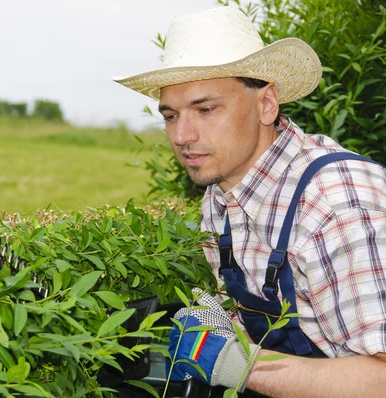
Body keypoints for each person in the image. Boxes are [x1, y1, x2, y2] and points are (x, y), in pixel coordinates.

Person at [113, 6, 386, 398]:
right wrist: (221, 325)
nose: (182, 135)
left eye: (206, 109)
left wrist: (234, 365)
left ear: (267, 104)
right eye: (171, 115)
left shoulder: (336, 205)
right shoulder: (220, 197)